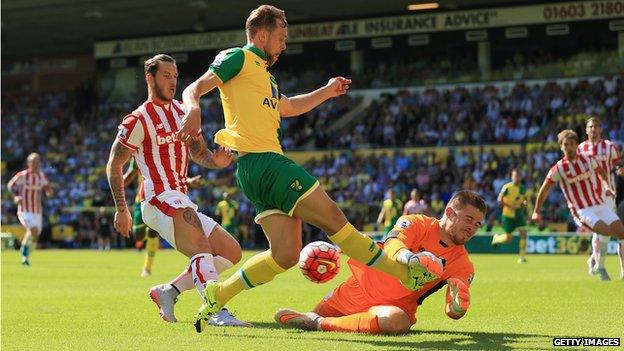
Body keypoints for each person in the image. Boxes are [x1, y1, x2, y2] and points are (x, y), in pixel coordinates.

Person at [177, 5, 443, 332]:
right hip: (267, 163)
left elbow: (288, 107)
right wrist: (192, 110)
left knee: (286, 255)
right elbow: (194, 88)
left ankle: (219, 293)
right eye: (281, 37)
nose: (284, 44)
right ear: (261, 34)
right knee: (334, 219)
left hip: (251, 171)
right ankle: (405, 273)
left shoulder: (264, 76)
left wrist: (328, 91)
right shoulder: (238, 58)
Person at [106, 53, 249, 327]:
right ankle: (216, 310)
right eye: (166, 76)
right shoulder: (138, 119)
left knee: (231, 252)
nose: (173, 82)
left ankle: (167, 292)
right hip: (157, 197)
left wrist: (215, 161)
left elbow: (199, 152)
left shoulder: (184, 113)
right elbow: (114, 165)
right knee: (200, 246)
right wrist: (121, 209)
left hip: (180, 196)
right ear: (150, 78)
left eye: (175, 77)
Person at [274, 190, 485, 334]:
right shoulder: (416, 222)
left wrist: (457, 308)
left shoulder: (463, 265)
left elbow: (452, 309)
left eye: (477, 224)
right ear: (449, 212)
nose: (473, 228)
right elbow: (394, 243)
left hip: (392, 307)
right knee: (299, 313)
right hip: (356, 289)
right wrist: (410, 258)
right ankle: (316, 318)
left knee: (397, 321)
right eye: (468, 219)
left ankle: (318, 324)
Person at [532, 130, 624, 249]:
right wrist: (536, 211)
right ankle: (596, 262)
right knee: (606, 230)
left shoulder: (588, 159)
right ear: (561, 147)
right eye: (565, 145)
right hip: (581, 210)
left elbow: (601, 171)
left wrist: (606, 186)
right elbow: (545, 189)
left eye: (571, 144)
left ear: (577, 145)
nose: (569, 147)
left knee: (621, 232)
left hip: (598, 203)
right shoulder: (559, 168)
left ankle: (597, 264)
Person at [578, 117, 624, 280]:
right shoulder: (581, 148)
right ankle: (601, 266)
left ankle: (594, 260)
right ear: (586, 130)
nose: (593, 129)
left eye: (596, 126)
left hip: (608, 195)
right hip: (589, 196)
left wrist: (619, 170)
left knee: (608, 231)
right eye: (591, 127)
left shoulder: (609, 147)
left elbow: (619, 164)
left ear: (600, 129)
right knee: (599, 231)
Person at [7, 153, 52, 266]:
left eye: (37, 161)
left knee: (35, 235)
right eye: (33, 162)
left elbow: (48, 189)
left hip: (37, 211)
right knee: (33, 230)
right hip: (24, 210)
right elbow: (10, 186)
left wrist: (49, 192)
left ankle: (24, 250)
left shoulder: (42, 176)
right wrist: (15, 197)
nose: (36, 164)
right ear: (29, 163)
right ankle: (24, 255)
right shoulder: (22, 175)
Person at [491, 169, 528, 263]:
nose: (516, 178)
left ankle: (522, 257)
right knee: (508, 239)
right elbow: (500, 200)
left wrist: (524, 203)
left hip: (518, 214)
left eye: (518, 176)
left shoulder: (523, 188)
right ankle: (497, 238)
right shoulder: (507, 187)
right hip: (508, 215)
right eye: (515, 176)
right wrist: (509, 206)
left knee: (523, 234)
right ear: (512, 177)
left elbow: (524, 199)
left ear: (520, 177)